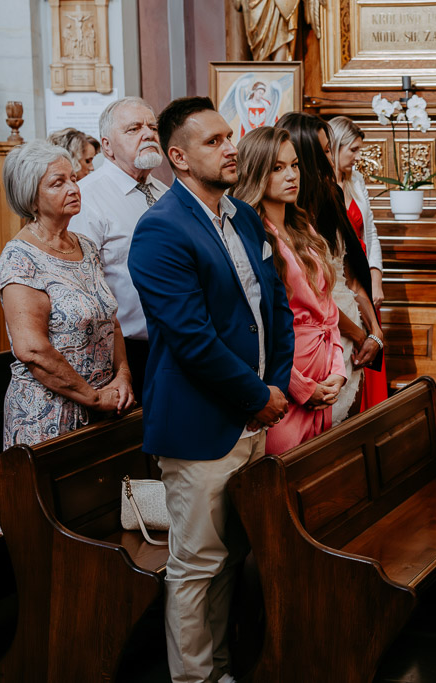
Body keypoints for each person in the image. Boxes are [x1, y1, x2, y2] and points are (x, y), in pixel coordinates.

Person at [128, 96, 294, 683]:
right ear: (178, 157)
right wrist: (256, 396)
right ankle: (194, 677)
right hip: (201, 422)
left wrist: (275, 387)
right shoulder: (161, 229)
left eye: (230, 137)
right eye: (214, 141)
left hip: (254, 414)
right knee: (197, 564)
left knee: (231, 558)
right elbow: (191, 339)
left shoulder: (243, 216)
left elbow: (274, 307)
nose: (231, 148)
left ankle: (221, 669)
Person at [0, 141, 135, 449]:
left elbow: (111, 321)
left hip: (104, 407)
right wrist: (94, 398)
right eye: (58, 183)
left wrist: (123, 375)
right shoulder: (20, 257)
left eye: (73, 178)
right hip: (48, 417)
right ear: (31, 198)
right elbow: (33, 350)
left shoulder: (86, 246)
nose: (74, 188)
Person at [233, 126, 346, 452]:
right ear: (255, 173)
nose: (291, 175)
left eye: (294, 165)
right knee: (284, 466)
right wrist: (299, 386)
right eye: (277, 168)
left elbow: (328, 310)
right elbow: (257, 325)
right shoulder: (251, 234)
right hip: (285, 380)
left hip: (324, 374)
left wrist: (337, 370)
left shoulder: (302, 225)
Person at [278, 112, 384, 425]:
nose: (330, 157)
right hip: (318, 333)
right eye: (324, 150)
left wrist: (374, 331)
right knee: (321, 425)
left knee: (349, 424)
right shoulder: (285, 214)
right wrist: (358, 333)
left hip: (352, 322)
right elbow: (310, 293)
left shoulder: (331, 195)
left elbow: (351, 275)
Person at [69, 96, 167, 400]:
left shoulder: (166, 194)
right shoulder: (87, 198)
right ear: (107, 146)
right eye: (134, 129)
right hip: (124, 353)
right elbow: (83, 288)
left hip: (176, 343)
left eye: (152, 127)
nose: (148, 134)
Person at [327, 116, 388, 413]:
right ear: (335, 147)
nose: (357, 156)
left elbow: (370, 232)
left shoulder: (356, 180)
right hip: (340, 272)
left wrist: (376, 278)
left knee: (372, 341)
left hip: (362, 273)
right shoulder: (321, 188)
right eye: (353, 150)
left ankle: (371, 413)